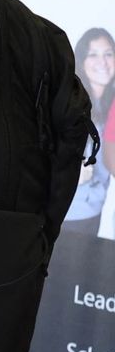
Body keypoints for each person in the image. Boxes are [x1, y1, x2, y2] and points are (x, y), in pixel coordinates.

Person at [64, 26, 114, 235]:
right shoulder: (70, 101)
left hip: (92, 210)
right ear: (82, 61)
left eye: (108, 54)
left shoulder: (108, 104)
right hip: (66, 211)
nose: (102, 62)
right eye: (92, 54)